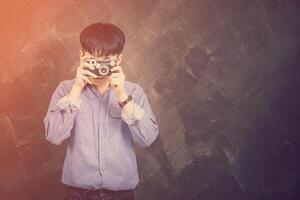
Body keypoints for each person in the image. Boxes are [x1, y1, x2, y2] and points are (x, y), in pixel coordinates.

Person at [43, 22, 159, 200]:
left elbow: (148, 139)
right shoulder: (65, 89)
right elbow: (53, 136)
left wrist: (122, 96)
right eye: (93, 60)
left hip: (122, 195)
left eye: (105, 61)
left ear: (119, 60)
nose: (99, 69)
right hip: (78, 195)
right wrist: (76, 89)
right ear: (81, 56)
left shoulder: (134, 92)